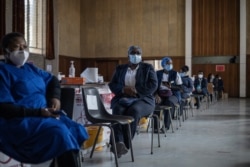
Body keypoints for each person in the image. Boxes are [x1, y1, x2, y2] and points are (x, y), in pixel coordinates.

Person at [0, 32, 89, 167]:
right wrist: (38, 112)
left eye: (24, 47)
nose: (22, 51)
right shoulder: (3, 72)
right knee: (60, 134)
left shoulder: (30, 68)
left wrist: (55, 97)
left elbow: (52, 79)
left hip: (45, 116)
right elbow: (4, 107)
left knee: (75, 129)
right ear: (6, 51)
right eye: (17, 47)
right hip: (22, 120)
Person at [108, 45, 158, 158]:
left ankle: (125, 144)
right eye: (133, 53)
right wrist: (122, 90)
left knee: (134, 110)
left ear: (141, 55)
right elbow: (112, 84)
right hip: (123, 98)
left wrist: (136, 91)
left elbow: (153, 84)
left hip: (144, 99)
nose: (135, 55)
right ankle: (118, 142)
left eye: (138, 53)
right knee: (117, 109)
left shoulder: (148, 68)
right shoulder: (120, 68)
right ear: (128, 55)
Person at [154, 57, 182, 132]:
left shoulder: (175, 74)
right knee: (155, 102)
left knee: (169, 103)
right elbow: (154, 86)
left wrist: (171, 86)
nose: (170, 65)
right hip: (160, 94)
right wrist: (156, 94)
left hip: (173, 94)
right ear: (163, 64)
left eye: (171, 63)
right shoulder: (158, 73)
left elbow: (180, 87)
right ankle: (155, 127)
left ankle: (166, 126)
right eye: (168, 63)